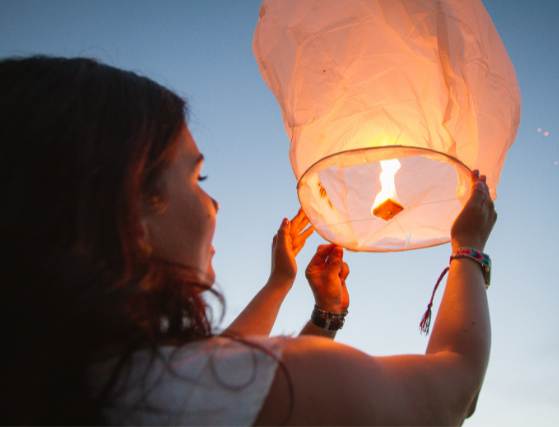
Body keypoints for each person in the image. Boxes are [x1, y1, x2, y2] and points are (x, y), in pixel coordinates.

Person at [2, 55, 496, 426]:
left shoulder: (59, 381)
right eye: (197, 177)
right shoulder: (162, 390)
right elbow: (455, 388)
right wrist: (467, 249)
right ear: (124, 203)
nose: (213, 205)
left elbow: (230, 376)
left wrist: (288, 288)